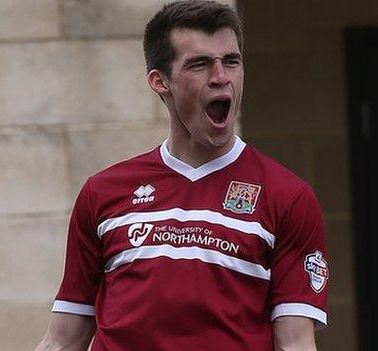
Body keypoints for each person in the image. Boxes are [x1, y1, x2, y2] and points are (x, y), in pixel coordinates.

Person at [35, 1, 329, 350]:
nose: (221, 77)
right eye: (200, 64)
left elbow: (295, 343)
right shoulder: (103, 193)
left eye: (231, 61)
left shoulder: (287, 196)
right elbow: (63, 339)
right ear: (160, 81)